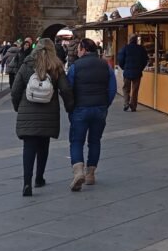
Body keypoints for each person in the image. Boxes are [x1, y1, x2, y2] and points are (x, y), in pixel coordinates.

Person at [11, 38, 73, 196]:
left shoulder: (26, 65)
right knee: (43, 146)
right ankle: (39, 178)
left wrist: (17, 107)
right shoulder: (56, 67)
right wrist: (69, 107)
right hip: (48, 113)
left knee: (29, 148)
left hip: (28, 111)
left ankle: (26, 183)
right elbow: (65, 89)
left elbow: (15, 89)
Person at [66, 38, 117, 191]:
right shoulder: (105, 66)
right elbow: (113, 88)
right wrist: (105, 104)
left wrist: (71, 108)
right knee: (95, 141)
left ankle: (78, 172)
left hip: (80, 108)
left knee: (76, 141)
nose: (77, 52)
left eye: (79, 49)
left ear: (84, 49)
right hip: (100, 108)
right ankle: (90, 174)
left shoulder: (75, 66)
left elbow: (69, 88)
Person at [116, 35, 147, 112]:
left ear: (129, 40)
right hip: (137, 72)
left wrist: (124, 67)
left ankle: (126, 103)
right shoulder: (141, 48)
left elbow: (120, 59)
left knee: (126, 89)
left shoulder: (125, 48)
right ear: (136, 40)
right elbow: (145, 60)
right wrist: (141, 68)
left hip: (127, 72)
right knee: (135, 90)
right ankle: (133, 106)